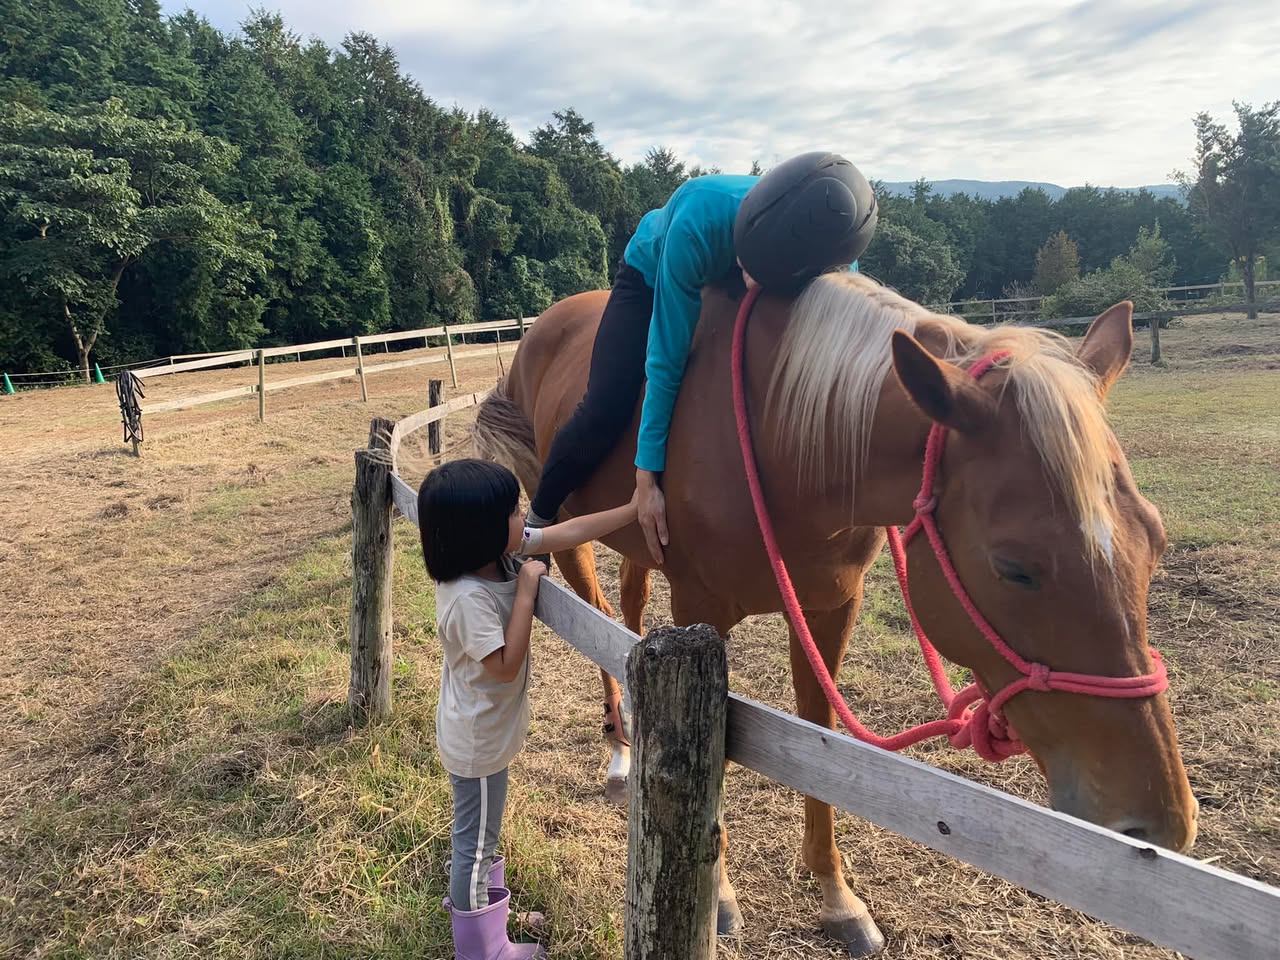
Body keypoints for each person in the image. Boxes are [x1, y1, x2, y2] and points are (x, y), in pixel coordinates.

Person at [522, 151, 878, 566]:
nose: (748, 274)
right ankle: (540, 515)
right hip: (653, 275)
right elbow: (666, 357)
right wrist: (647, 474)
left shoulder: (836, 256)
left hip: (740, 265)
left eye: (760, 271)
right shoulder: (697, 219)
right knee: (605, 403)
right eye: (749, 260)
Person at [418, 459, 637, 959]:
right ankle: (482, 951)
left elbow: (569, 531)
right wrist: (525, 593)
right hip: (475, 743)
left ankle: (492, 918)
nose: (525, 518)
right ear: (481, 532)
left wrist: (630, 509)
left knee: (484, 834)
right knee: (472, 847)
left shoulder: (497, 555)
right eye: (514, 511)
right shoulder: (467, 598)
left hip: (488, 735)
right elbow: (504, 665)